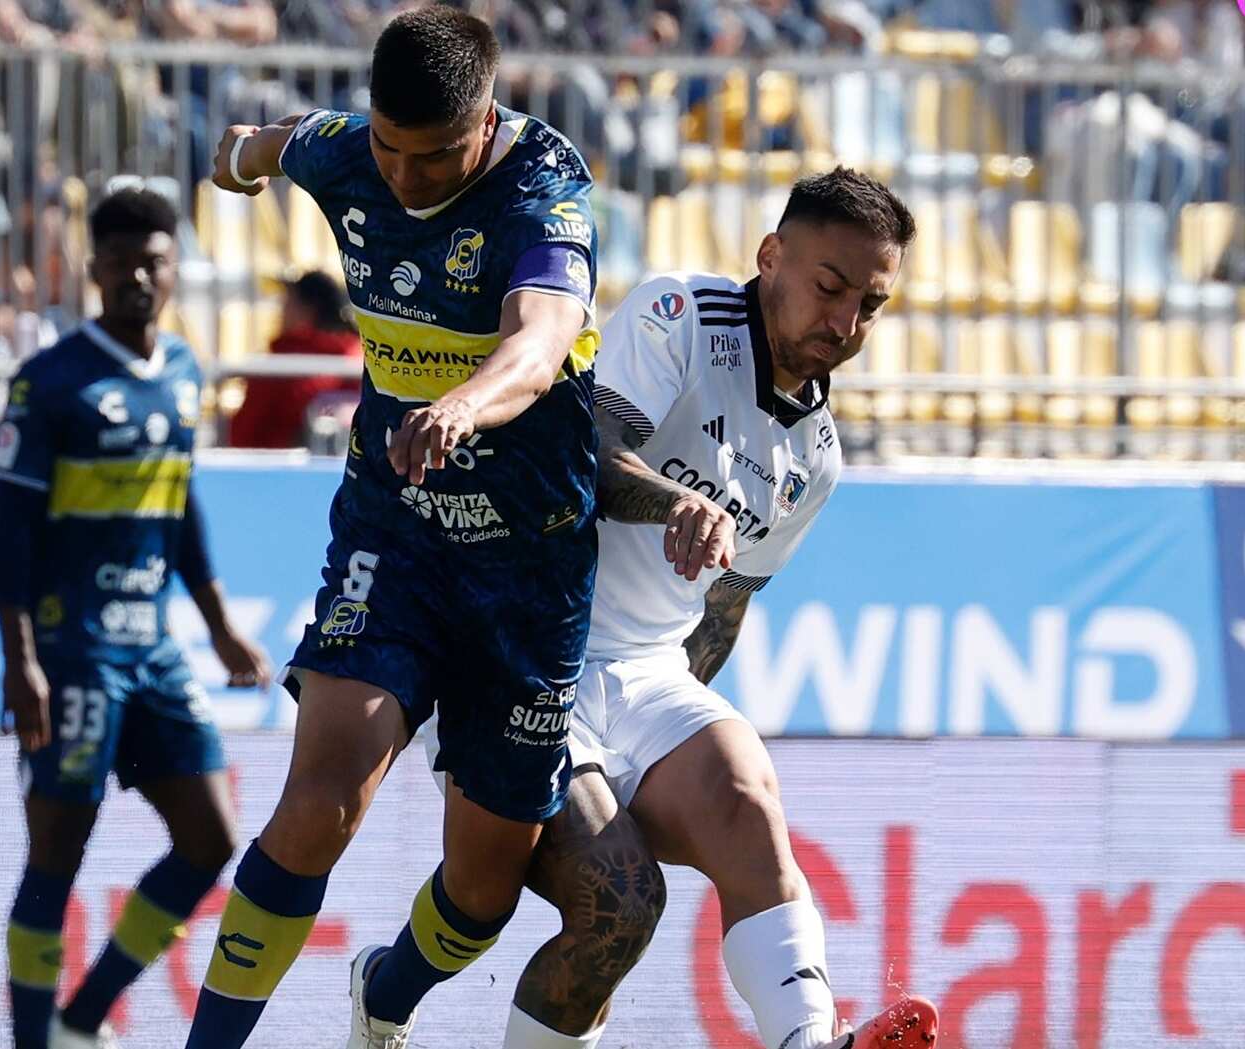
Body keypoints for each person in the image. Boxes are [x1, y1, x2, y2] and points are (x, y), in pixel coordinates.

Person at [183, 8, 604, 1048]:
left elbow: (544, 339)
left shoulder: (545, 189)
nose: (406, 179)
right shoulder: (345, 152)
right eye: (390, 150)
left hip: (530, 560)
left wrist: (465, 403)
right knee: (323, 792)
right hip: (397, 525)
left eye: (435, 158)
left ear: (487, 120)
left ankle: (389, 985)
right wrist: (236, 158)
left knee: (483, 888)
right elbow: (276, 142)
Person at [492, 168, 940, 1049]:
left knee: (743, 789)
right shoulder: (682, 316)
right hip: (521, 648)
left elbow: (721, 617)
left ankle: (811, 1039)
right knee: (619, 905)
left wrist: (652, 767)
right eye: (829, 287)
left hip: (645, 672)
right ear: (771, 257)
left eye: (870, 306)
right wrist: (679, 503)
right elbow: (591, 451)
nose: (845, 325)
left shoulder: (817, 456)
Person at [0, 186, 272, 1049]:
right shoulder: (51, 383)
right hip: (71, 650)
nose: (139, 277)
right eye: (122, 264)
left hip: (153, 647)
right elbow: (9, 531)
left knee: (210, 837)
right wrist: (21, 660)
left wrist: (219, 623)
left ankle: (84, 1014)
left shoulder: (184, 371)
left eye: (154, 262)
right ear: (94, 271)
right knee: (56, 857)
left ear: (174, 269)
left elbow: (180, 509)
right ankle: (34, 1041)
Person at [227, 270, 362, 449]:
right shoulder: (361, 355)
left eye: (287, 302)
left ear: (309, 309)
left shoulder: (278, 366)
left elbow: (242, 436)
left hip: (277, 472)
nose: (280, 311)